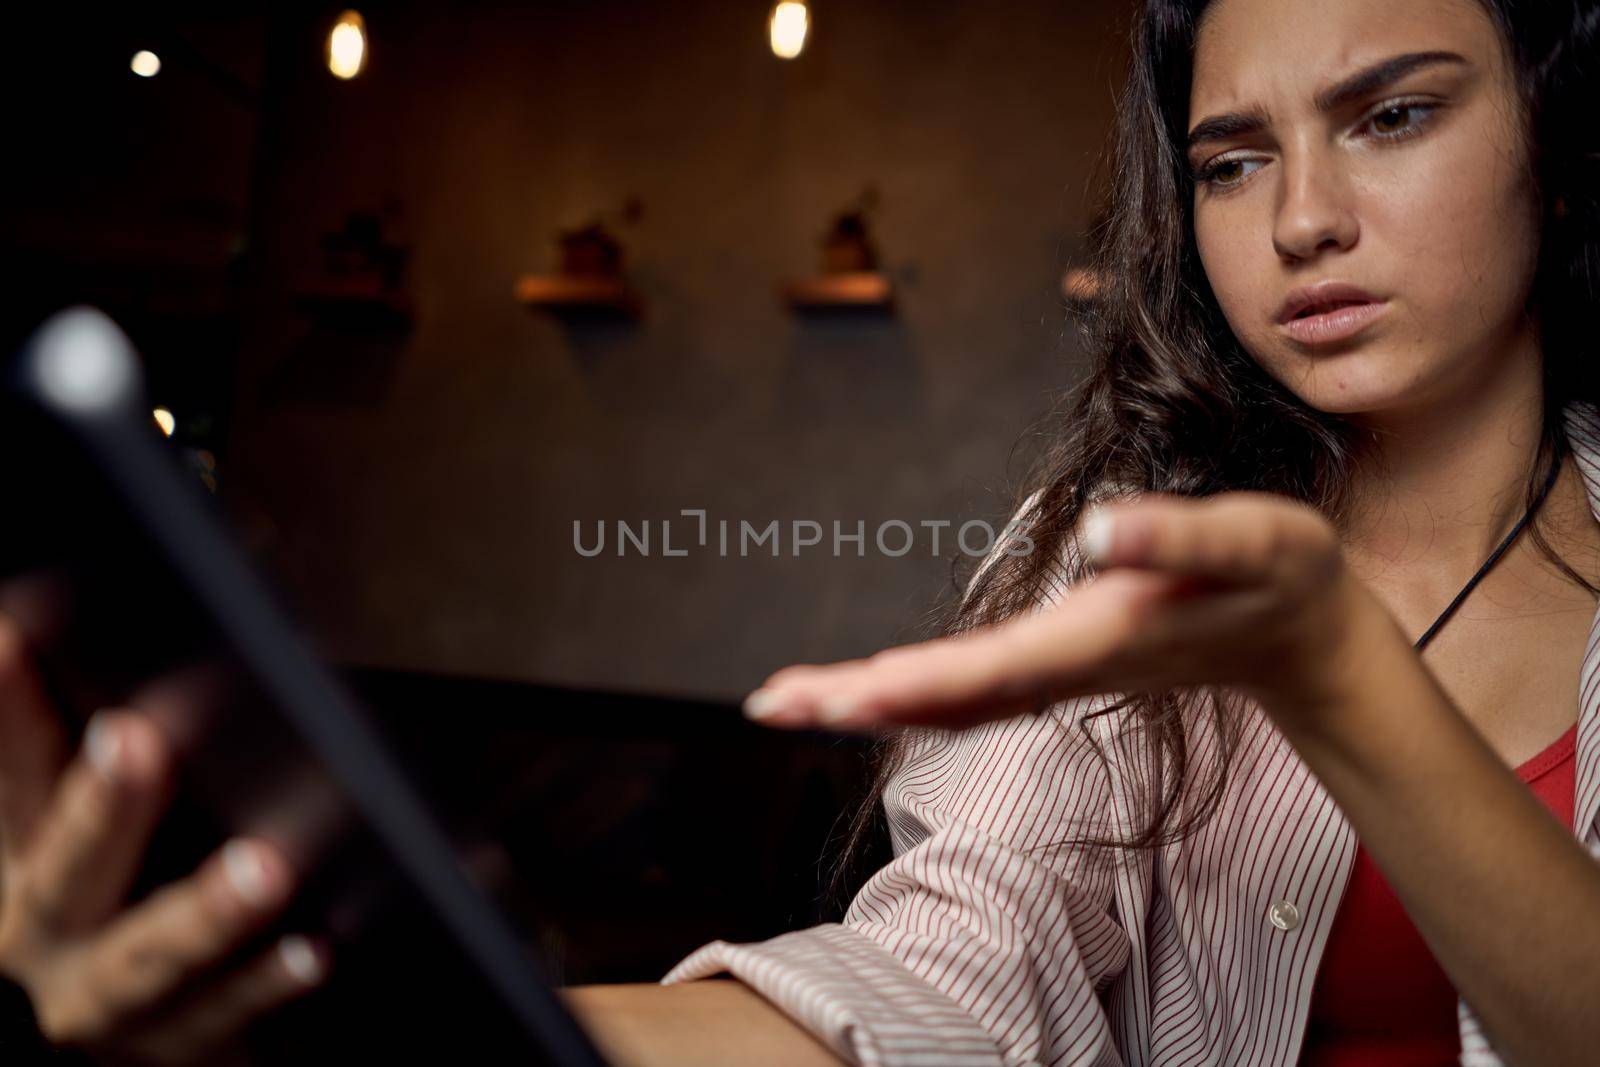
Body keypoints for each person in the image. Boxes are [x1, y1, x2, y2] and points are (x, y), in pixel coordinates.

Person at [3, 0, 1599, 1064]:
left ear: (1549, 123)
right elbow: (936, 984)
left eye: (1392, 116)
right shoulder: (1125, 549)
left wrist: (1339, 675)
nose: (1300, 216)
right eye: (1231, 161)